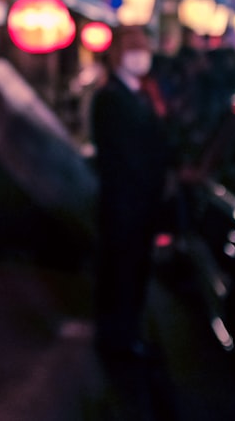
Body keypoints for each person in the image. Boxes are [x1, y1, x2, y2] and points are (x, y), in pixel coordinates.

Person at [89, 24, 172, 359]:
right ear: (118, 54)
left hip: (141, 205)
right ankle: (118, 340)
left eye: (145, 47)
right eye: (134, 47)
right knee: (120, 274)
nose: (142, 55)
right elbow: (124, 156)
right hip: (124, 205)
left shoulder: (141, 93)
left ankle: (128, 333)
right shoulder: (110, 98)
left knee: (134, 273)